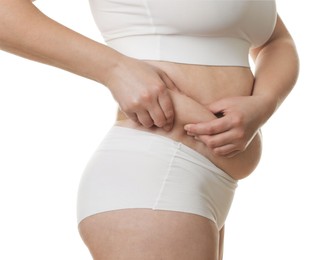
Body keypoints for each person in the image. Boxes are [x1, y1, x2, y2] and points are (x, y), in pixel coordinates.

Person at [0, 0, 299, 259]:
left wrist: (264, 101)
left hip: (205, 182)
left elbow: (275, 41)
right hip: (153, 175)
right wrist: (113, 68)